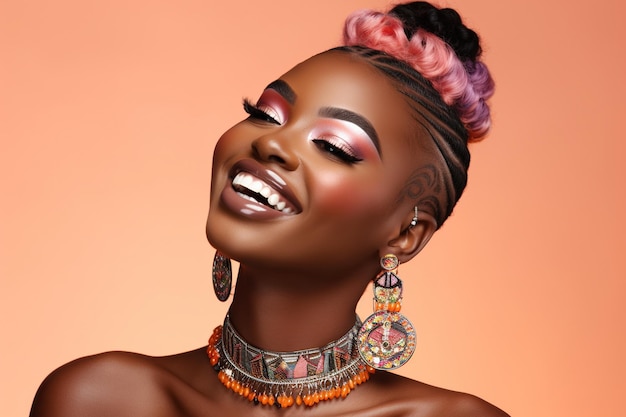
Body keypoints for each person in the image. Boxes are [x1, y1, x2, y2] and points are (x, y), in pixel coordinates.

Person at [30, 2, 508, 416]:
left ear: (406, 233)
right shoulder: (99, 400)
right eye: (264, 114)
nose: (272, 142)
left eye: (335, 147)